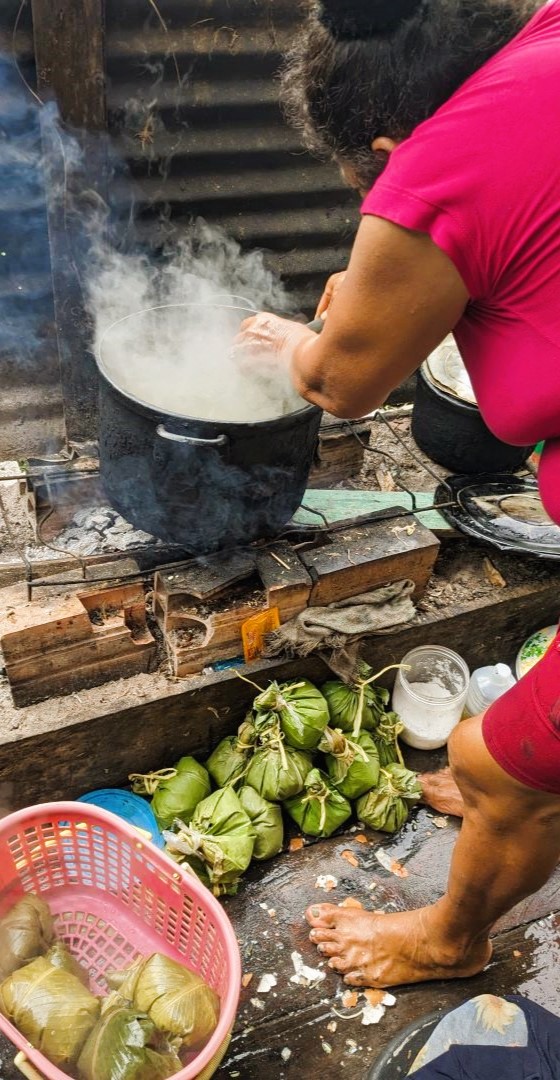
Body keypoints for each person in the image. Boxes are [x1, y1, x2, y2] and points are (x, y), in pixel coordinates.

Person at [236, 0, 560, 989]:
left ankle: (450, 939)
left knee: (493, 761)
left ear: (385, 145)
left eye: (358, 186)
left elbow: (338, 386)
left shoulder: (429, 176)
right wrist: (392, 271)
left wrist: (297, 345)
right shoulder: (539, 38)